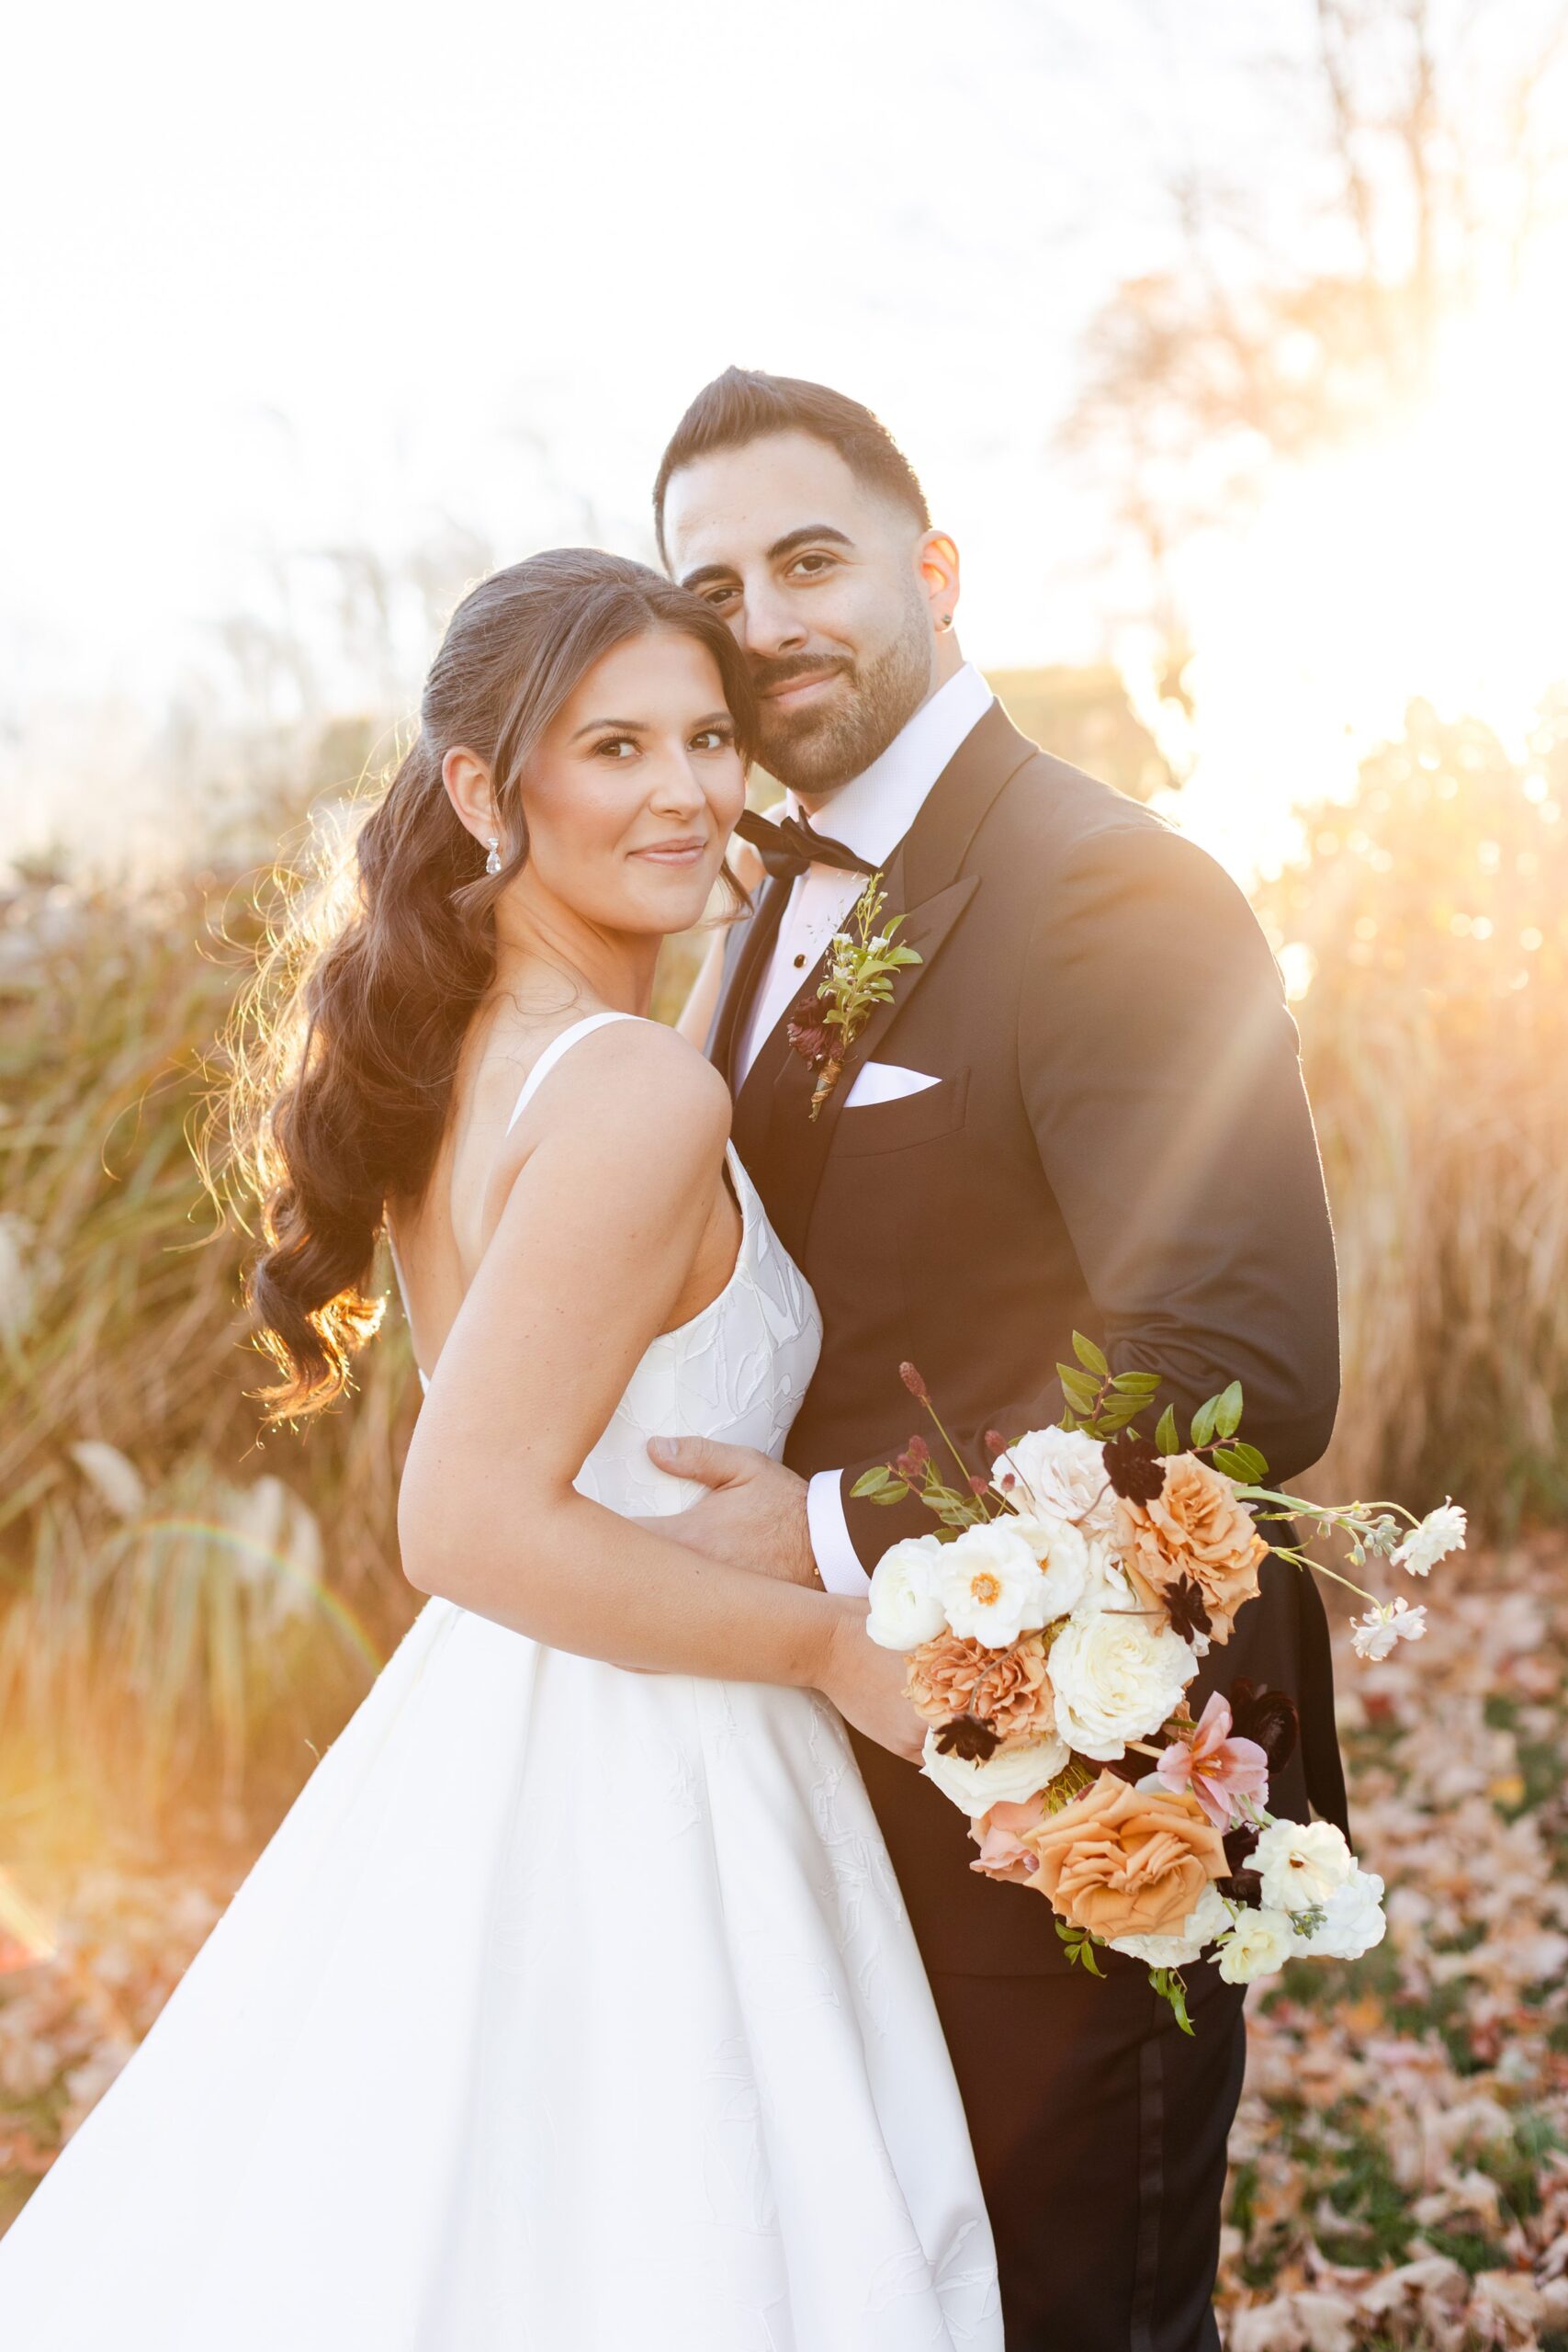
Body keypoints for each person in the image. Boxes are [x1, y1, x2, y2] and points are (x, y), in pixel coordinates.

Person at [0, 550, 1000, 2350]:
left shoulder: (484, 1054)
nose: (686, 788)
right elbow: (460, 1515)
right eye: (610, 747)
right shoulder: (630, 1087)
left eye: (706, 736)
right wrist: (822, 1639)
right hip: (659, 1752)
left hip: (499, 1722)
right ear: (482, 789)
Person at [648, 369, 1347, 2352]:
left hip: (1068, 1776)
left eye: (809, 558)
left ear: (934, 569)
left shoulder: (1110, 888)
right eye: (714, 580)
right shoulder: (759, 897)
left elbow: (1232, 1356)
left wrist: (820, 1523)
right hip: (812, 1781)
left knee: (1073, 2312)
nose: (763, 615)